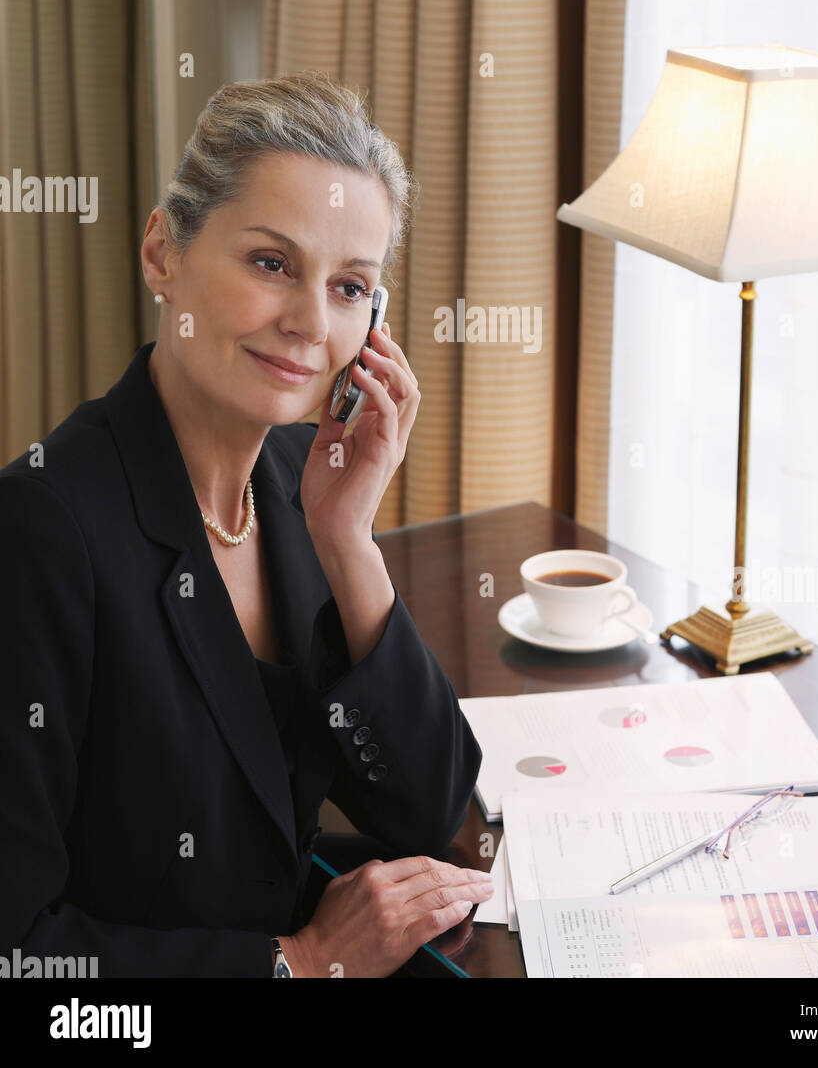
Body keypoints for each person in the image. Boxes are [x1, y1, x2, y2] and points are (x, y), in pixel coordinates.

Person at [0, 72, 491, 977]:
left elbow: (428, 808)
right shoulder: (40, 533)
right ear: (162, 254)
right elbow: (19, 953)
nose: (309, 322)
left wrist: (348, 541)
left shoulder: (295, 491)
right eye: (271, 263)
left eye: (350, 287)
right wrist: (293, 963)